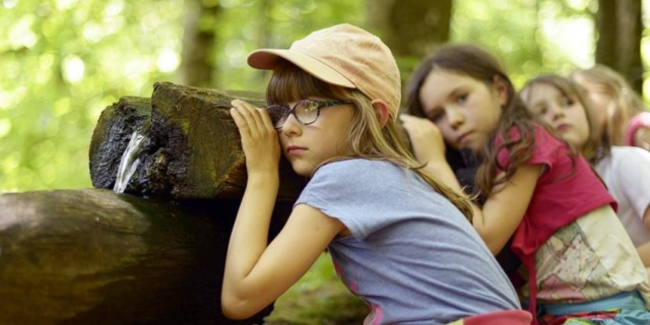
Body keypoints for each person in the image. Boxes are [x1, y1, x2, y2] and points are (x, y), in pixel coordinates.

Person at [220, 24, 528, 325]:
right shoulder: (400, 178)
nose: (287, 126)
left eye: (309, 106)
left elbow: (240, 298)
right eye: (280, 111)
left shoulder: (345, 177)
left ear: (376, 115)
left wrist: (262, 175)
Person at [402, 43, 650, 324]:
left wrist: (434, 161)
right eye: (438, 116)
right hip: (564, 316)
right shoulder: (491, 167)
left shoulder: (526, 140)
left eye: (461, 98)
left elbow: (485, 238)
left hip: (610, 314)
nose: (454, 119)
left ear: (500, 91)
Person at [520, 74, 650, 268]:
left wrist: (608, 271)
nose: (557, 113)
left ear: (586, 112)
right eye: (541, 112)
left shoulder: (624, 161)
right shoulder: (534, 193)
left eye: (567, 103)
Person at [571, 64, 650, 150]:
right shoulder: (606, 145)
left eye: (583, 94)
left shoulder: (641, 129)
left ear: (610, 89)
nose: (582, 106)